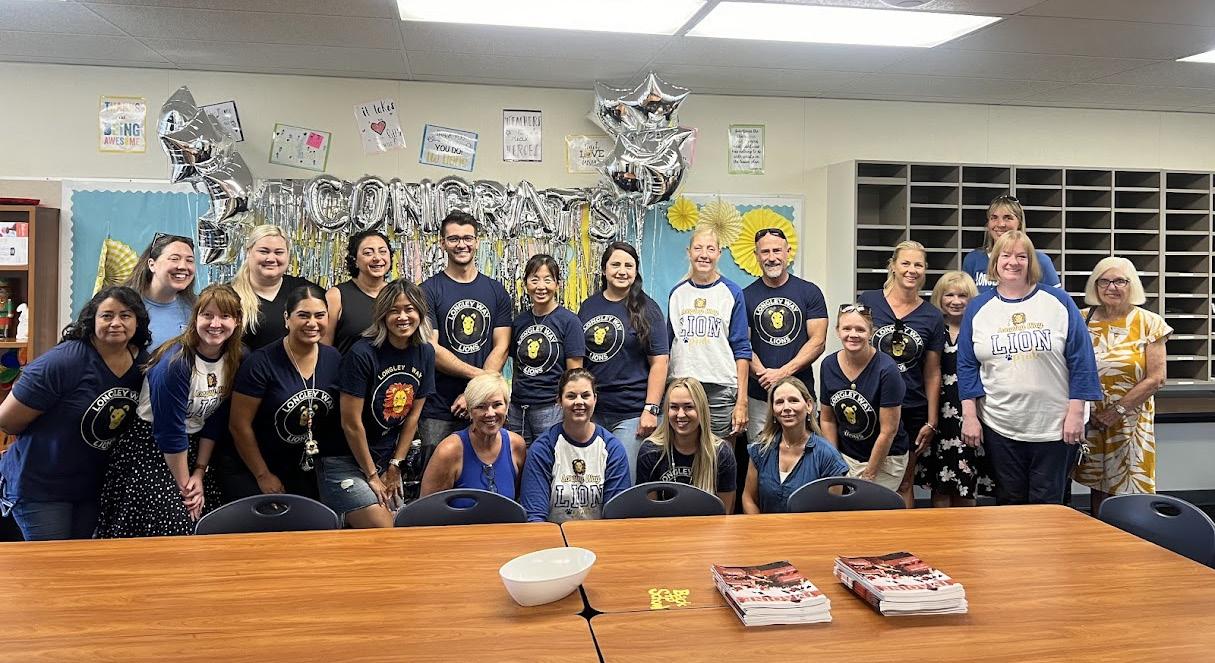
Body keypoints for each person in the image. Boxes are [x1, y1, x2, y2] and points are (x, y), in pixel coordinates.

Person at [958, 231, 1102, 505]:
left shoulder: (1058, 301)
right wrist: (970, 416)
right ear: (995, 261)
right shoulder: (978, 307)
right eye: (1006, 255)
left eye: (1021, 256)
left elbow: (1082, 360)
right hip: (1000, 424)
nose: (1013, 262)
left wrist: (1076, 413)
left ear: (1031, 262)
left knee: (1047, 504)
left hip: (1055, 425)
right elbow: (967, 365)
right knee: (1009, 502)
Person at [0, 287, 150, 540]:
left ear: (138, 321)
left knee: (82, 560)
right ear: (92, 320)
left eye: (125, 315)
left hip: (92, 487)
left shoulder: (142, 364)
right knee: (54, 561)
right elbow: (7, 421)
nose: (116, 323)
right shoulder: (64, 361)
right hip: (41, 487)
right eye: (107, 316)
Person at [97, 284, 243, 537]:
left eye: (225, 316)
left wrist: (199, 471)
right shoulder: (174, 363)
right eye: (207, 315)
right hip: (152, 449)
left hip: (195, 449)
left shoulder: (236, 358)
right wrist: (187, 490)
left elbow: (216, 419)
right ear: (195, 318)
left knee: (212, 524)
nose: (215, 324)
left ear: (237, 321)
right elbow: (169, 432)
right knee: (179, 523)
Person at [328, 279, 435, 528]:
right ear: (382, 315)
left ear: (420, 313)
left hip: (385, 459)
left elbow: (412, 417)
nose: (402, 317)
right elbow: (351, 423)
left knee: (404, 524)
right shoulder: (362, 353)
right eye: (394, 310)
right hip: (344, 460)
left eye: (409, 309)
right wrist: (372, 476)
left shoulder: (426, 352)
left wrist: (395, 465)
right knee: (384, 528)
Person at [227, 285, 342, 501]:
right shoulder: (260, 363)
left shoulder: (333, 358)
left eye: (319, 315)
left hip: (308, 467)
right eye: (303, 315)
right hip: (260, 467)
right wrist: (262, 475)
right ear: (287, 318)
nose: (312, 323)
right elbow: (238, 425)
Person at [1076, 257, 1170, 515]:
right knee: (1097, 485)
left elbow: (1157, 378)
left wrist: (1116, 411)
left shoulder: (1149, 322)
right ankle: (1100, 534)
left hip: (1130, 420)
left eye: (1120, 281)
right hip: (1090, 420)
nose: (1111, 287)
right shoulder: (1081, 319)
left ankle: (1131, 536)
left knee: (1131, 487)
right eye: (1104, 281)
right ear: (1095, 285)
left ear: (1132, 285)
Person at [420, 211, 512, 466]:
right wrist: (479, 383)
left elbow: (502, 346)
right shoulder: (428, 290)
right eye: (454, 239)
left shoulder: (496, 290)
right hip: (439, 408)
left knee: (485, 475)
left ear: (477, 241)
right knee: (434, 478)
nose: (462, 244)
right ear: (442, 243)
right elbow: (431, 349)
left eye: (468, 238)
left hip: (486, 407)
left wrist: (474, 395)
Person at [859, 241, 945, 507]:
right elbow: (854, 348)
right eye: (905, 263)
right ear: (893, 266)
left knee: (904, 481)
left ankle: (904, 533)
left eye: (918, 265)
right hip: (871, 404)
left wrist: (932, 420)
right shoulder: (869, 301)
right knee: (865, 477)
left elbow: (932, 372)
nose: (912, 270)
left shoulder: (932, 316)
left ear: (925, 270)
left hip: (911, 408)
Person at [579, 241, 669, 484]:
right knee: (591, 481)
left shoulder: (648, 309)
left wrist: (651, 409)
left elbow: (660, 362)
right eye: (615, 264)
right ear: (604, 269)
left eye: (629, 266)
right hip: (594, 412)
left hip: (632, 415)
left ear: (636, 271)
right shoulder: (589, 306)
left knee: (623, 481)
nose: (622, 271)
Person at [914, 271, 993, 507]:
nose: (955, 301)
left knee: (967, 483)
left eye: (962, 295)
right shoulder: (931, 329)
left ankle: (967, 530)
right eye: (949, 295)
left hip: (972, 414)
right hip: (937, 413)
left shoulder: (981, 329)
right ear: (939, 297)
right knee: (941, 482)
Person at [744, 226, 828, 443]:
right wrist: (764, 375)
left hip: (800, 395)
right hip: (759, 398)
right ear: (756, 255)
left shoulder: (810, 292)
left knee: (804, 453)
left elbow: (818, 341)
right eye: (765, 252)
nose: (771, 257)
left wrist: (782, 374)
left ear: (788, 252)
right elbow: (742, 344)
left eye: (777, 251)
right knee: (761, 455)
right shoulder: (744, 296)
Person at [667, 228, 752, 441]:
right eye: (698, 248)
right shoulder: (677, 293)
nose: (704, 254)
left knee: (721, 453)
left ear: (719, 254)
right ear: (689, 252)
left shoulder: (732, 292)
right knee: (683, 450)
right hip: (683, 387)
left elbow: (742, 348)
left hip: (720, 389)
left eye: (710, 249)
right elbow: (668, 345)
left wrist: (742, 401)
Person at [519, 368, 631, 523]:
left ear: (595, 399)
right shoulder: (543, 449)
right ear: (559, 401)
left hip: (599, 535)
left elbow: (617, 516)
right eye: (571, 396)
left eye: (585, 395)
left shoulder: (612, 449)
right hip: (554, 535)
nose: (579, 402)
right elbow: (535, 516)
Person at [819, 304, 909, 492]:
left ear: (871, 333)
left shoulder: (887, 369)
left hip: (885, 458)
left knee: (868, 505)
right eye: (846, 328)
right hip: (846, 455)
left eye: (860, 329)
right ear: (837, 331)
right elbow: (827, 419)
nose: (853, 334)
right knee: (838, 505)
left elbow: (888, 431)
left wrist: (869, 475)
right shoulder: (828, 365)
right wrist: (834, 462)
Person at [509, 254, 585, 446]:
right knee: (517, 459)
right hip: (517, 408)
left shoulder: (569, 321)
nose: (541, 286)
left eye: (548, 280)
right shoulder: (519, 322)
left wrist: (568, 407)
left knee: (549, 458)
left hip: (551, 408)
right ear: (525, 284)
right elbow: (516, 366)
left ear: (557, 284)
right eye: (534, 280)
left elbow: (575, 373)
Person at [742, 376, 848, 514]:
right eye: (779, 402)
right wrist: (760, 526)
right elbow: (749, 498)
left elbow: (833, 511)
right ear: (773, 410)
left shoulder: (828, 455)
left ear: (809, 405)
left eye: (793, 400)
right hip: (767, 527)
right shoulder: (760, 449)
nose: (786, 408)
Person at [635, 377, 737, 513]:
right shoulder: (650, 451)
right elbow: (649, 512)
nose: (681, 414)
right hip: (663, 524)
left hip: (708, 525)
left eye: (689, 407)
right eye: (674, 407)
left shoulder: (721, 453)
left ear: (701, 410)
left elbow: (724, 513)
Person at [420, 373, 526, 499]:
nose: (490, 413)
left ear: (507, 407)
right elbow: (427, 507)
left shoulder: (516, 445)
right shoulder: (449, 451)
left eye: (497, 405)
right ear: (470, 411)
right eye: (481, 407)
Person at [231, 225, 320, 350]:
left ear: (288, 255)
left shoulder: (305, 291)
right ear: (249, 252)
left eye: (278, 252)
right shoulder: (230, 295)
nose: (271, 259)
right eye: (264, 251)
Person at [962, 194, 1060, 292]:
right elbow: (965, 298)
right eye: (994, 218)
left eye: (1008, 218)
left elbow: (1058, 299)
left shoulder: (1040, 261)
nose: (1000, 224)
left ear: (1019, 223)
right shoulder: (973, 260)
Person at [323, 229, 393, 355]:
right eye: (368, 253)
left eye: (382, 251)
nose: (377, 258)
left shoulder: (397, 294)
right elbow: (323, 349)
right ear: (355, 260)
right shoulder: (336, 296)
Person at [125, 233, 196, 350]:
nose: (183, 266)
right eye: (174, 259)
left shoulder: (196, 308)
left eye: (190, 260)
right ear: (152, 265)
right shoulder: (123, 303)